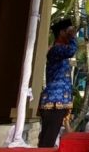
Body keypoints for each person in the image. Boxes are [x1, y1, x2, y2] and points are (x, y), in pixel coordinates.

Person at [38, 18, 77, 148]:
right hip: (54, 102)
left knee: (49, 138)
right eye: (68, 31)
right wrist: (72, 37)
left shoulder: (59, 50)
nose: (72, 34)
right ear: (62, 33)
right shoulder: (56, 50)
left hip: (58, 102)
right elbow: (71, 51)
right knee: (48, 140)